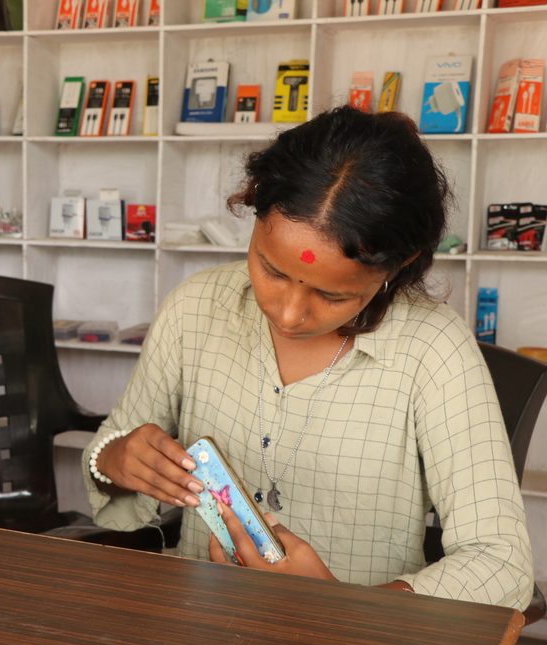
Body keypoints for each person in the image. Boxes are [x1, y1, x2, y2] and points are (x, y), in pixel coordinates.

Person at [83, 105, 533, 609]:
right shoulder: (195, 308)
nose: (290, 314)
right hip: (202, 629)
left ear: (398, 265)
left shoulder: (433, 347)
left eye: (332, 296)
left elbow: (501, 562)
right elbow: (107, 452)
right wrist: (119, 460)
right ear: (253, 211)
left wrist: (343, 609)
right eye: (271, 270)